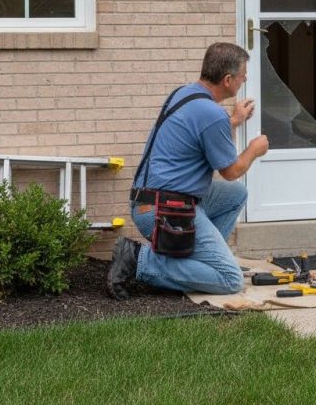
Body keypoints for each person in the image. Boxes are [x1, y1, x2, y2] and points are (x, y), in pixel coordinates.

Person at [106, 42, 269, 299]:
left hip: (154, 198)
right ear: (227, 80)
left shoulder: (184, 94)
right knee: (230, 280)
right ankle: (139, 259)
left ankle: (198, 265)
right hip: (165, 209)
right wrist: (254, 149)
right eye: (242, 76)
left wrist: (234, 121)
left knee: (235, 195)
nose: (245, 79)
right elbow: (231, 170)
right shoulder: (212, 113)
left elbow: (207, 136)